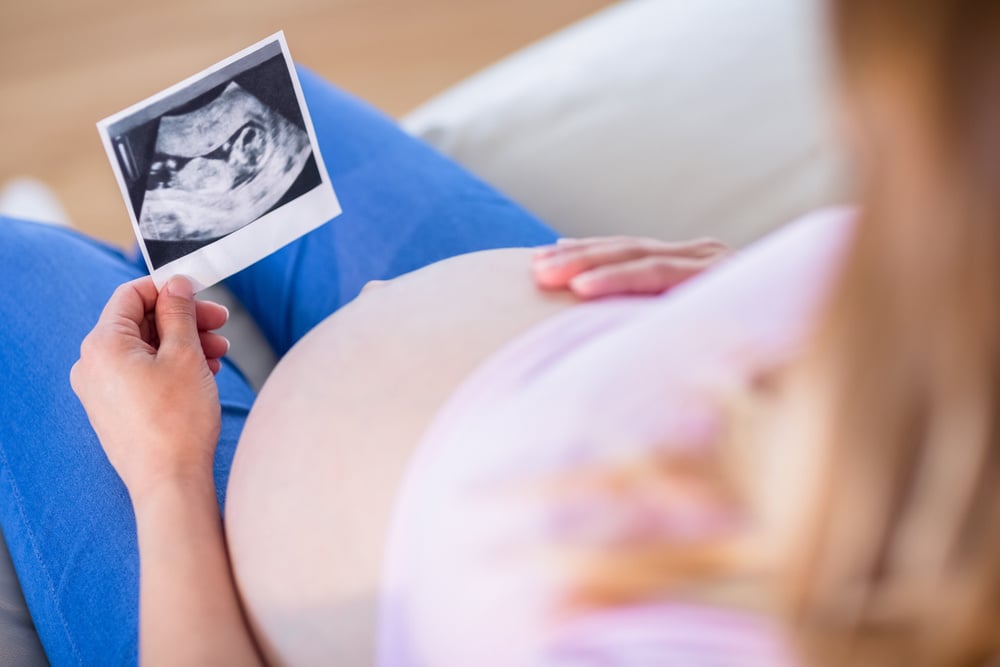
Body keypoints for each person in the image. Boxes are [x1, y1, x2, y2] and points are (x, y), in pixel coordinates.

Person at [1, 1, 997, 666]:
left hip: (246, 595)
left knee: (25, 268)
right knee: (236, 115)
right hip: (544, 336)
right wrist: (780, 293)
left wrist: (165, 476)